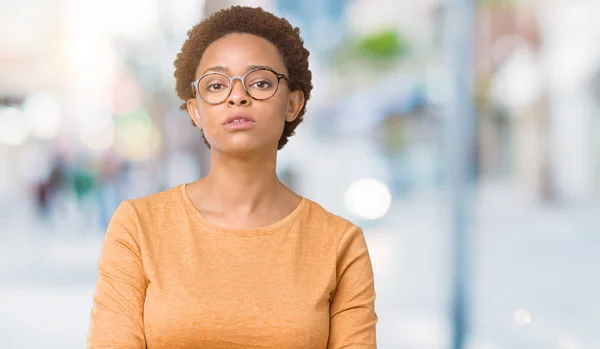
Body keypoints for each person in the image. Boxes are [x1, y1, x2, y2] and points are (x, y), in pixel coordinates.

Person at [87, 6, 377, 349]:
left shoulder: (341, 244)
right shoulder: (137, 227)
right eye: (216, 84)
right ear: (195, 110)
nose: (237, 96)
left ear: (293, 104)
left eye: (260, 82)